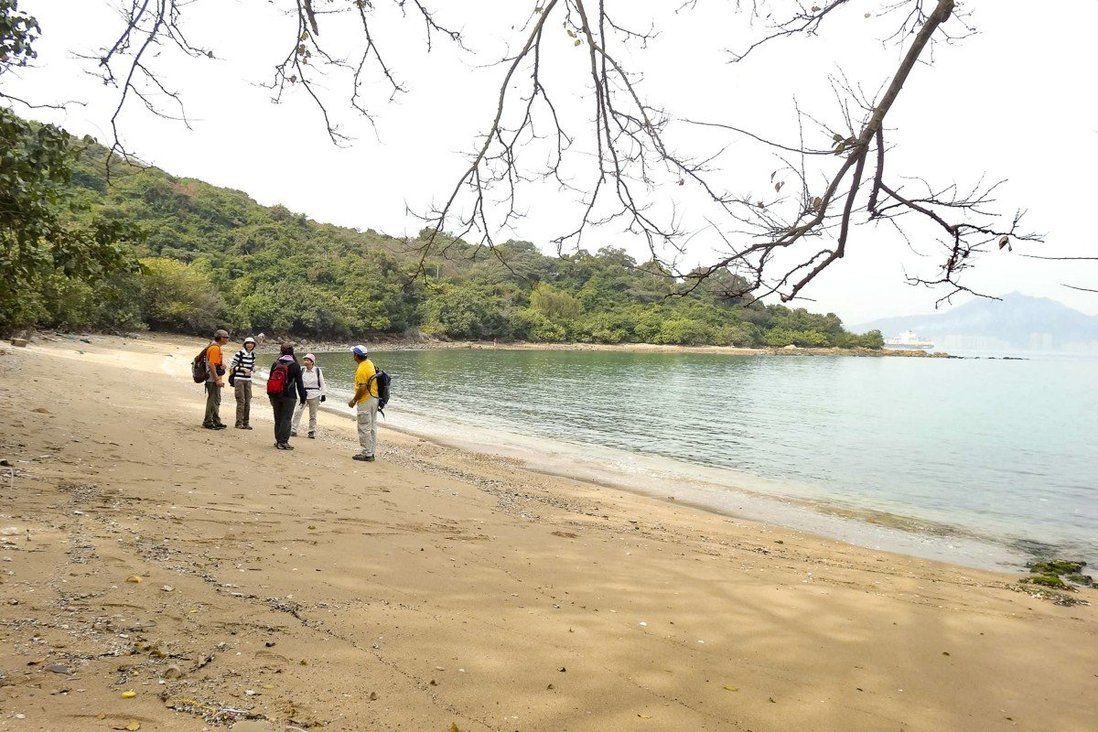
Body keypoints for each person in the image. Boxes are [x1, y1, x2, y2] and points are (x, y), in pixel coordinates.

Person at [268, 344, 307, 450]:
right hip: (289, 396)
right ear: (292, 352)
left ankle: (278, 440)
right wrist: (303, 398)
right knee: (286, 418)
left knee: (278, 418)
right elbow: (299, 383)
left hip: (275, 395)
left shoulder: (275, 363)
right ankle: (283, 441)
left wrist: (270, 395)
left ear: (281, 351)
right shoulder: (295, 365)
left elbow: (270, 380)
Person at [348, 344, 378, 462]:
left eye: (353, 354)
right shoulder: (369, 363)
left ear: (356, 356)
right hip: (374, 398)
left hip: (365, 400)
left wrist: (354, 400)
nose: (353, 356)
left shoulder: (361, 369)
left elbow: (362, 388)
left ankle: (367, 453)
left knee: (364, 426)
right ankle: (371, 451)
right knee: (372, 427)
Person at [291, 353, 326, 439]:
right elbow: (297, 382)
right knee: (297, 412)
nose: (305, 362)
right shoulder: (302, 370)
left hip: (315, 395)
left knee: (313, 415)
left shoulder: (317, 371)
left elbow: (322, 383)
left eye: (308, 360)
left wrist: (323, 394)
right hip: (303, 395)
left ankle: (311, 431)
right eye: (305, 360)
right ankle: (293, 430)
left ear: (312, 362)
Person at [202, 329, 230, 430]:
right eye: (226, 337)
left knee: (216, 399)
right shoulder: (215, 348)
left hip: (213, 378)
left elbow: (214, 363)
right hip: (212, 379)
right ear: (221, 338)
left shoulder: (215, 347)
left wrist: (222, 366)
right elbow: (211, 364)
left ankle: (215, 420)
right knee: (213, 400)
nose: (228, 339)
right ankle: (208, 421)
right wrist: (217, 379)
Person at [229, 336, 258, 430]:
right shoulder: (239, 354)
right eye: (248, 343)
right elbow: (232, 367)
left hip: (248, 380)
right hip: (239, 379)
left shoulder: (253, 355)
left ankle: (246, 423)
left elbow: (252, 365)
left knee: (248, 402)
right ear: (245, 344)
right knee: (241, 401)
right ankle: (238, 423)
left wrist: (253, 368)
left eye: (251, 343)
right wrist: (243, 369)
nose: (250, 345)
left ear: (254, 345)